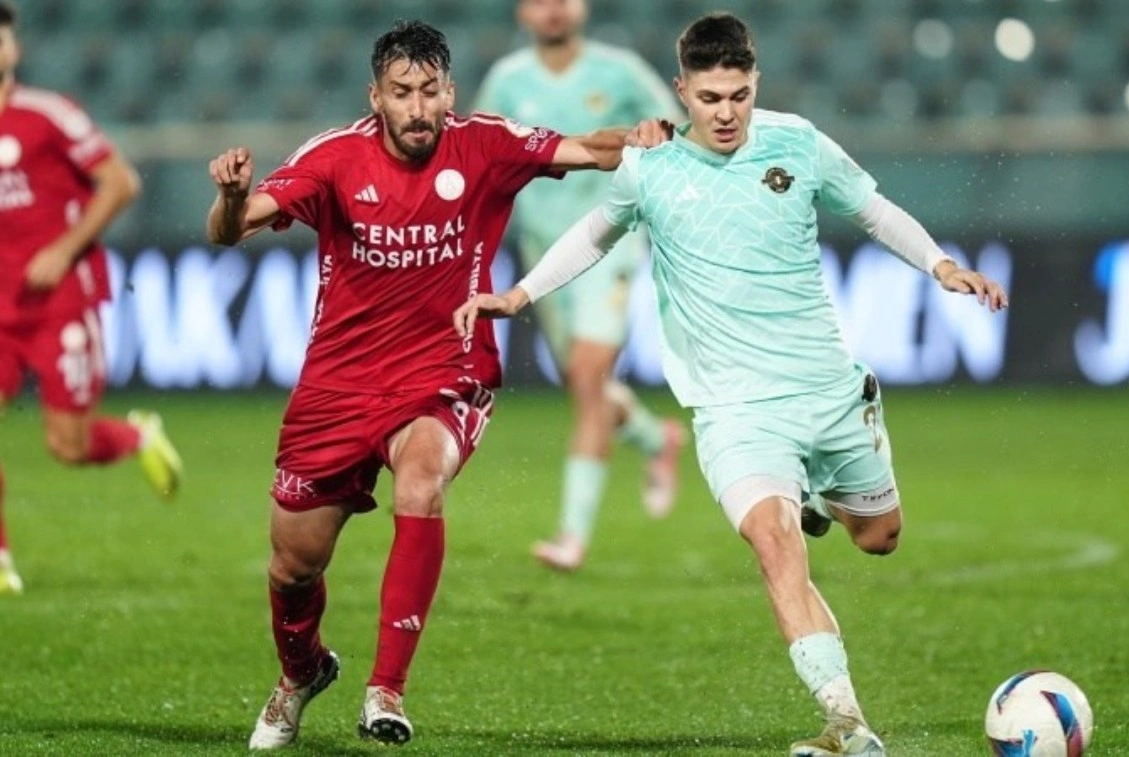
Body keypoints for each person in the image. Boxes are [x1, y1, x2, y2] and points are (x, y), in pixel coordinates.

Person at [455, 12, 1008, 757]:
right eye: (710, 98)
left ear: (756, 86)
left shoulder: (798, 143)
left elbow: (872, 210)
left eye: (739, 96)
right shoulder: (651, 166)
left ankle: (822, 493)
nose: (725, 113)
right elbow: (595, 233)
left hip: (826, 389)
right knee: (775, 544)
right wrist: (520, 294)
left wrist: (941, 265)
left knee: (880, 539)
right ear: (682, 90)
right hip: (733, 410)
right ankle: (846, 722)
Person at [206, 20, 667, 750]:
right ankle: (301, 672)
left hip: (443, 373)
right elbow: (229, 231)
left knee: (421, 483)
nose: (417, 108)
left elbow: (588, 148)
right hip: (338, 386)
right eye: (402, 92)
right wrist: (232, 197)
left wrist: (644, 138)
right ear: (376, 97)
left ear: (450, 92)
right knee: (294, 566)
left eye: (429, 91)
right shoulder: (334, 158)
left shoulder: (485, 143)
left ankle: (386, 689)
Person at [475, 0, 686, 572]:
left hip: (610, 242)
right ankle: (656, 438)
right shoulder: (507, 81)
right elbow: (479, 155)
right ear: (523, 13)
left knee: (590, 381)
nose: (553, 11)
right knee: (585, 385)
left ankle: (572, 536)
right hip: (543, 251)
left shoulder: (620, 72)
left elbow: (675, 129)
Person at [0, 0, 183, 597]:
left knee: (67, 445)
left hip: (61, 300)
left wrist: (62, 249)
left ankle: (137, 437)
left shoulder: (47, 115)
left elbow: (121, 182)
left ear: (13, 48)